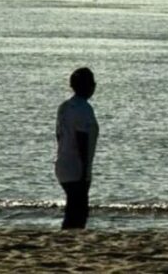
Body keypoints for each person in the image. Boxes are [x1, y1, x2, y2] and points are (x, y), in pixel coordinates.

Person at [55, 67, 99, 230]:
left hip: (63, 163)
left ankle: (67, 234)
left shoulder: (65, 107)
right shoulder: (83, 109)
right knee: (79, 210)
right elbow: (82, 140)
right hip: (76, 167)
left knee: (73, 207)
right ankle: (69, 236)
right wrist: (85, 170)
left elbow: (59, 136)